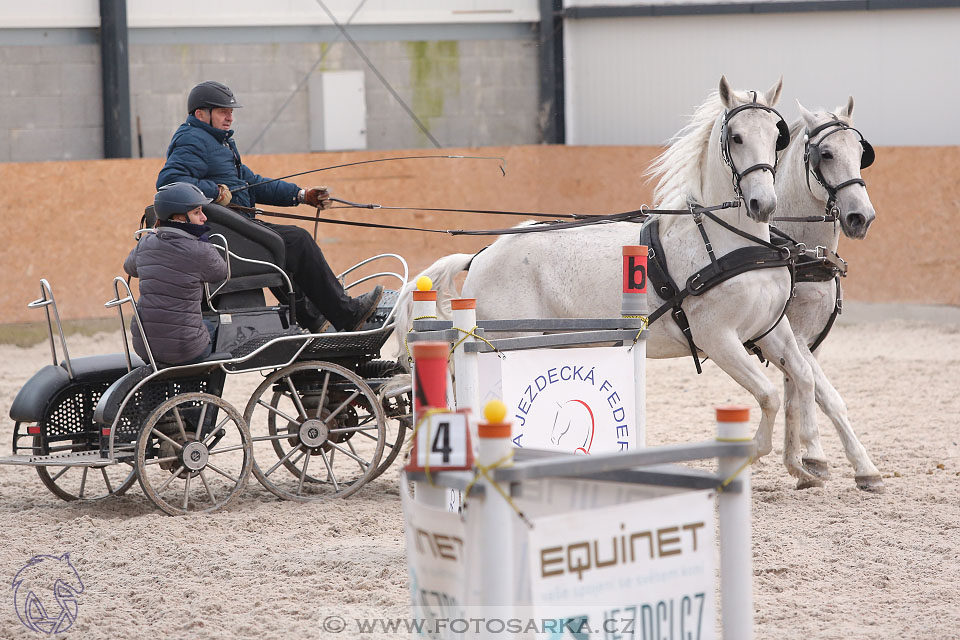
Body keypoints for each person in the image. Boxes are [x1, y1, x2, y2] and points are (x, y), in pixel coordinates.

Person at [156, 80, 382, 333]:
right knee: (297, 241)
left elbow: (250, 184)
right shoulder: (193, 140)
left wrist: (300, 195)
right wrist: (215, 192)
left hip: (238, 229)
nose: (230, 117)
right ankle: (347, 314)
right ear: (201, 114)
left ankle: (315, 320)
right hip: (226, 236)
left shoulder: (218, 142)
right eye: (223, 111)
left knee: (280, 246)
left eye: (231, 112)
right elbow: (169, 181)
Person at [124, 183, 227, 366]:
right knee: (217, 327)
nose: (204, 218)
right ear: (179, 217)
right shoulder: (200, 250)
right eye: (197, 213)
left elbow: (130, 268)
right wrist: (202, 241)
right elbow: (221, 272)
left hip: (145, 346)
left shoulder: (146, 242)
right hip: (185, 349)